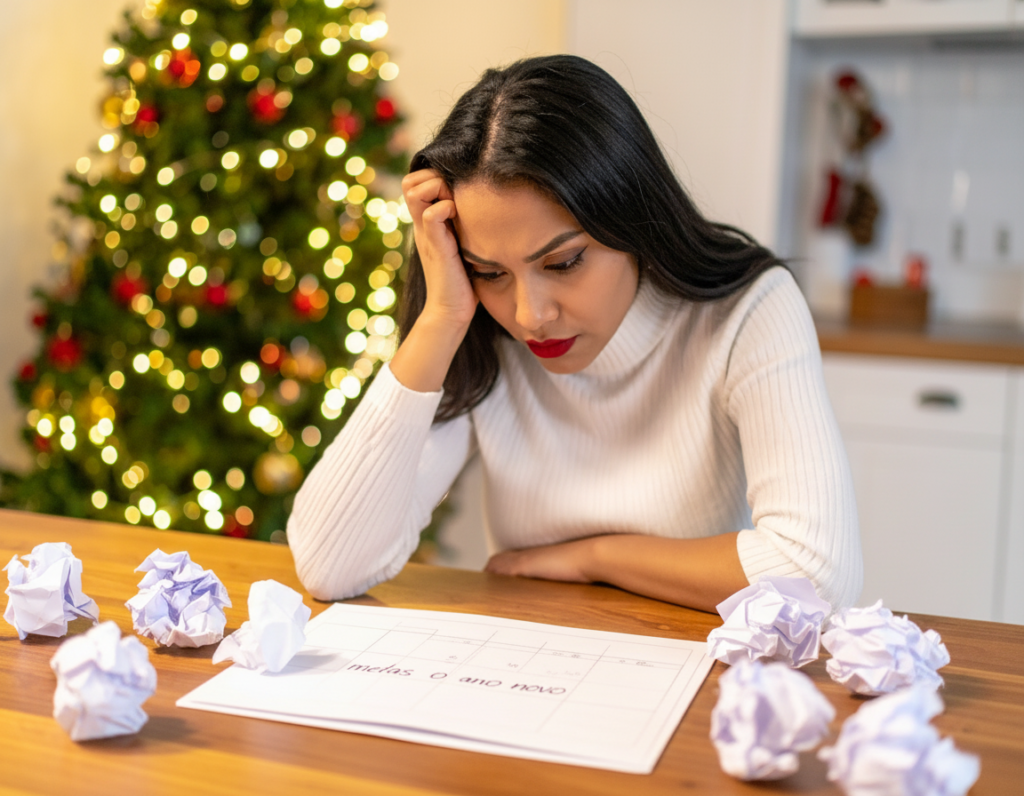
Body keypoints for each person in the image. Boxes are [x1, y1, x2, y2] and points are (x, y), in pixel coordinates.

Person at [287, 55, 862, 612]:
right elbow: (330, 565)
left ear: (632, 217)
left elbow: (814, 574)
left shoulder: (747, 310)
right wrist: (441, 317)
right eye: (489, 272)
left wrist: (594, 558)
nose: (530, 315)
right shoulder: (480, 329)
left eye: (563, 263)